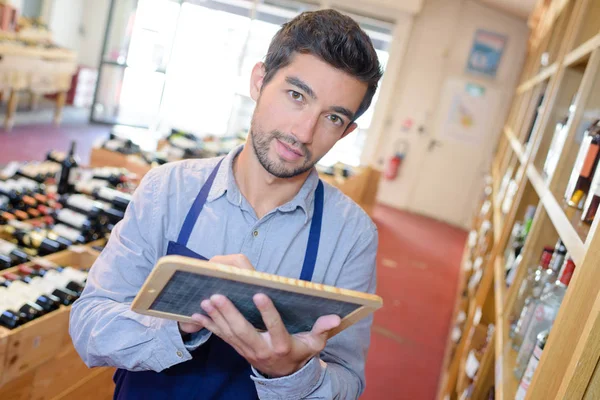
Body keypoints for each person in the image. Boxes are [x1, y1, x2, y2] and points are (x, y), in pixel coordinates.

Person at [69, 8, 383, 400]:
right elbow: (89, 328)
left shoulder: (352, 236)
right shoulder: (167, 189)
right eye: (296, 95)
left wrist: (291, 373)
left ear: (348, 130)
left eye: (333, 118)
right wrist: (183, 319)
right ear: (258, 80)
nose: (303, 132)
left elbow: (347, 382)